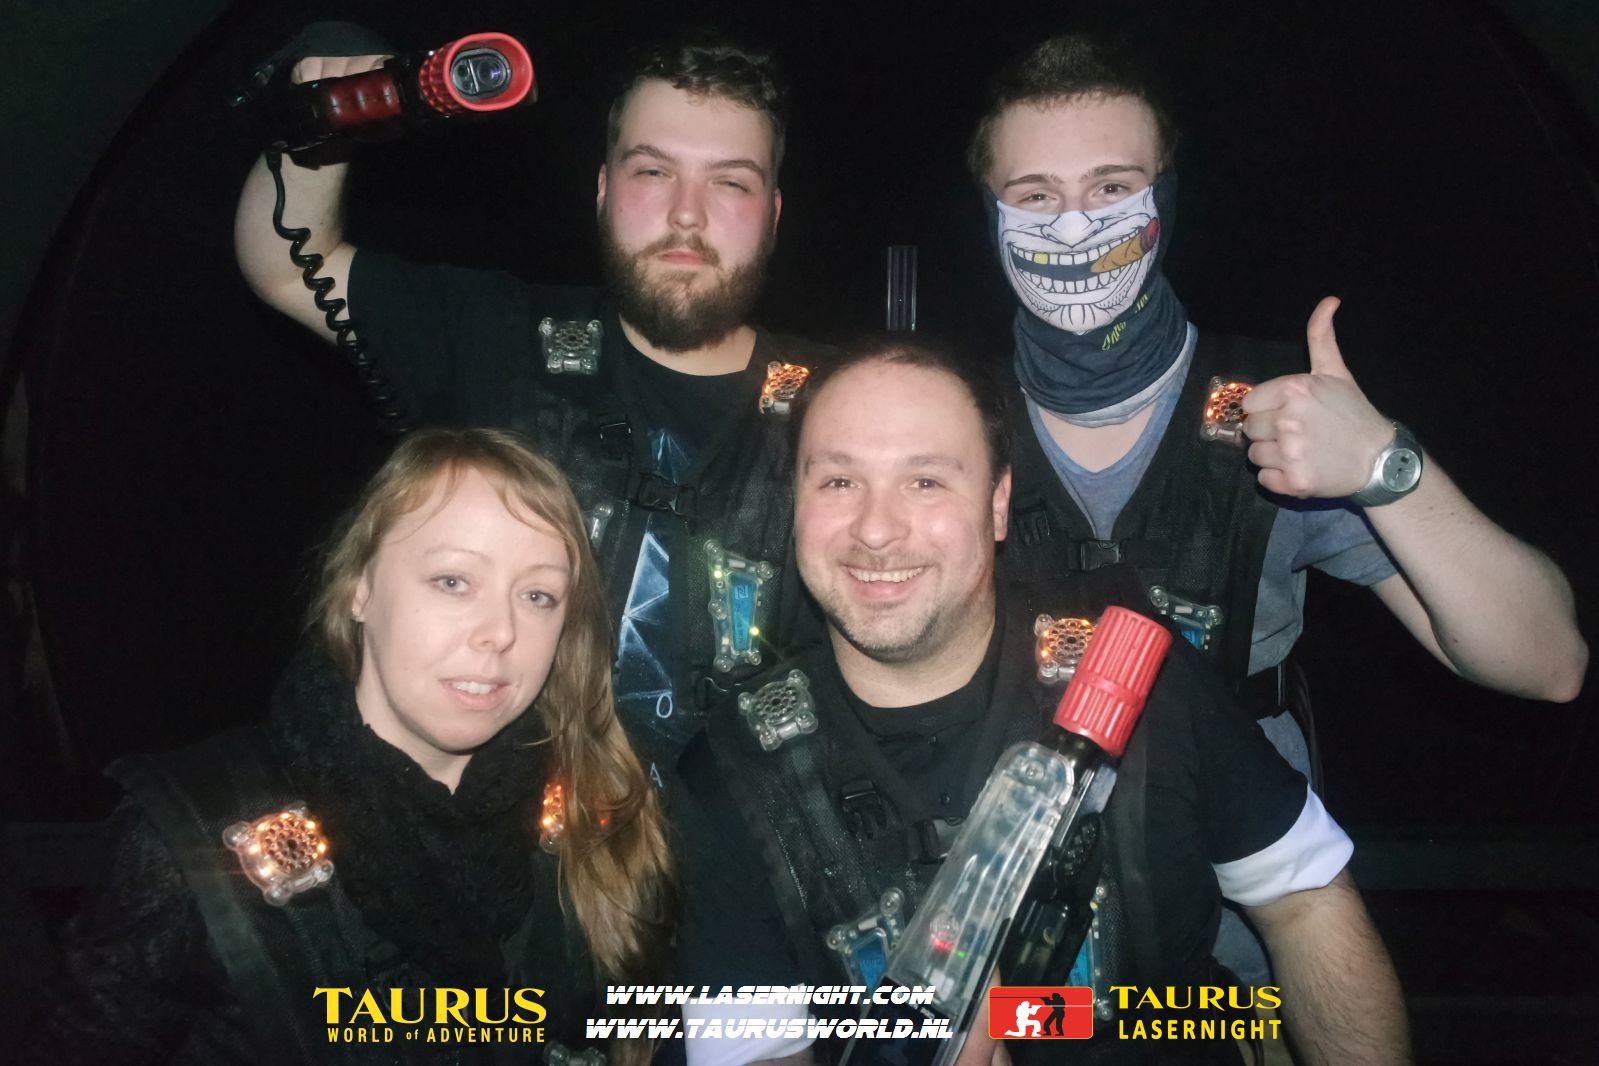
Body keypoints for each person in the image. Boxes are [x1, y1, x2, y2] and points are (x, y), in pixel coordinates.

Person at [968, 31, 1586, 986]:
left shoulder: (1278, 414)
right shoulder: (945, 427)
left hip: (1242, 959)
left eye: (1111, 187)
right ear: (989, 213)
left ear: (1165, 199)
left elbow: (1547, 663)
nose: (1076, 227)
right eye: (1036, 196)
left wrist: (1383, 465)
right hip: (1013, 961)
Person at [674, 339, 1410, 1066]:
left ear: (997, 505)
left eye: (925, 481)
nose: (875, 529)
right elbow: (757, 1052)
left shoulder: (1135, 670)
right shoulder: (733, 767)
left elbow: (1306, 898)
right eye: (838, 481)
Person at [235, 30, 834, 788]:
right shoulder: (498, 333)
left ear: (773, 214)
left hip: (739, 842)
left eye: (730, 183)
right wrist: (324, 115)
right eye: (652, 171)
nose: (687, 214)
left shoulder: (843, 405)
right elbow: (287, 265)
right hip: (493, 833)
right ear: (604, 190)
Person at [28, 428, 673, 1064]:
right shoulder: (195, 839)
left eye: (537, 595)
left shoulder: (595, 818)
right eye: (453, 581)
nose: (501, 631)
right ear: (361, 589)